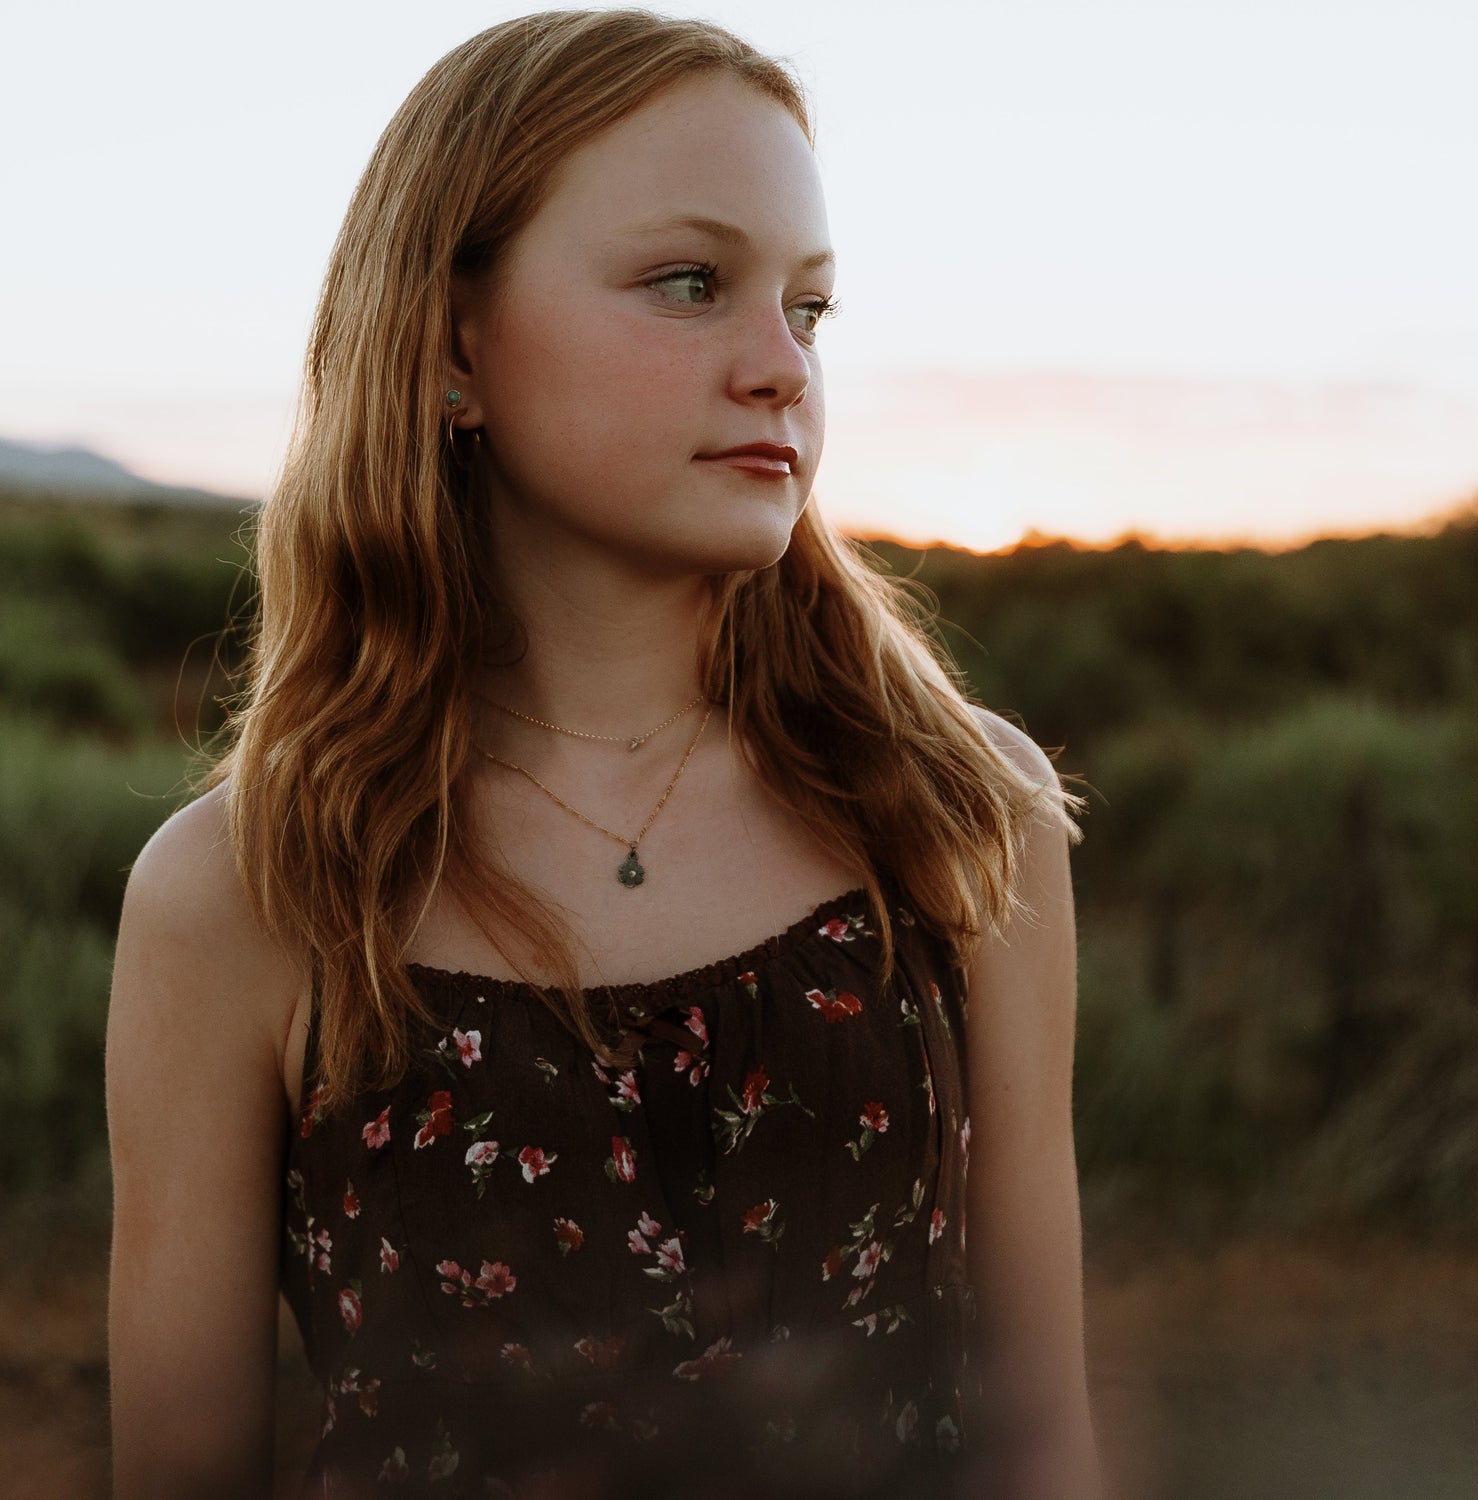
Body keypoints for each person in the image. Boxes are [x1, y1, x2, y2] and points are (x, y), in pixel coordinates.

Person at [106, 10, 1102, 1498]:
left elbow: (1041, 1441)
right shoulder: (248, 894)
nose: (781, 366)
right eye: (691, 284)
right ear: (454, 346)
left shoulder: (958, 808)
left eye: (810, 310)